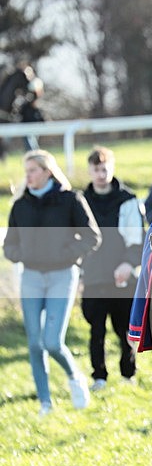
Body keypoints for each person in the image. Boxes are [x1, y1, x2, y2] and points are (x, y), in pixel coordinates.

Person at [3, 150, 101, 416]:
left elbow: (92, 237)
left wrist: (65, 254)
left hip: (62, 275)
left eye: (33, 170)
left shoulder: (70, 200)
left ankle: (74, 377)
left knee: (52, 342)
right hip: (31, 277)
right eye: (26, 171)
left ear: (47, 171)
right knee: (35, 343)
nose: (28, 176)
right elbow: (9, 245)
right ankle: (45, 403)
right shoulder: (20, 205)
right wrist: (23, 254)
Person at [81, 147, 144, 391]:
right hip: (94, 277)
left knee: (124, 329)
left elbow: (136, 237)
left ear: (112, 168)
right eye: (96, 169)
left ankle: (128, 373)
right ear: (89, 170)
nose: (101, 174)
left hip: (122, 276)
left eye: (104, 168)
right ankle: (99, 377)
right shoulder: (81, 201)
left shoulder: (127, 200)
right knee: (96, 330)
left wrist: (128, 263)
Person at [19, 76, 45, 151]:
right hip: (26, 128)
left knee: (33, 148)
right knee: (31, 148)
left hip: (35, 128)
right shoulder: (26, 104)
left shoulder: (38, 105)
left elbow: (41, 117)